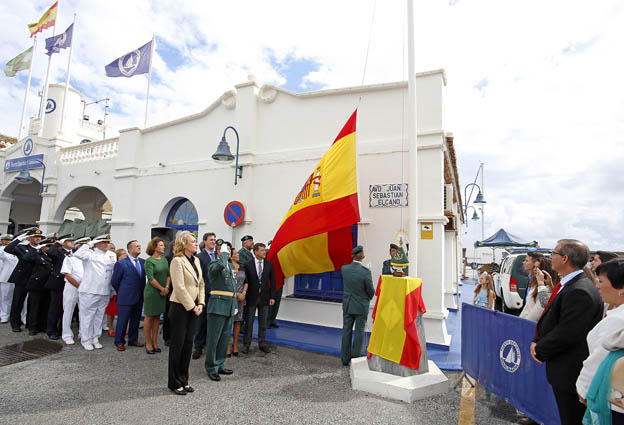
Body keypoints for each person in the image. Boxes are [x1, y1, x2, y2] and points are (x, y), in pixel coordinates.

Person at [530, 239, 603, 425]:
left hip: (570, 371)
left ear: (564, 258)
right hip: (565, 368)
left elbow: (568, 332)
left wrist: (540, 348)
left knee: (572, 418)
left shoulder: (580, 290)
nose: (549, 258)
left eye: (552, 254)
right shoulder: (571, 285)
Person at [576, 259, 624, 423]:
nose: (596, 286)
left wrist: (583, 389)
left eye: (601, 281)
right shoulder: (615, 311)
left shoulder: (618, 321)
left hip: (613, 400)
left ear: (621, 288)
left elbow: (598, 360)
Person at [168, 231, 205, 395]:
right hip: (180, 308)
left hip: (194, 307)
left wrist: (201, 303)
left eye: (196, 241)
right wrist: (192, 306)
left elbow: (201, 284)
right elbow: (179, 287)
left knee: (188, 344)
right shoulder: (177, 261)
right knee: (178, 345)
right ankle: (174, 382)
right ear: (184, 244)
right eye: (193, 241)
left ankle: (184, 379)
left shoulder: (196, 260)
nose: (196, 244)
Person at [74, 234, 116, 351]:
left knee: (99, 316)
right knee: (87, 316)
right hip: (90, 290)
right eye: (103, 242)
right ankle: (85, 339)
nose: (107, 244)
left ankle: (95, 338)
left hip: (105, 290)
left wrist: (112, 289)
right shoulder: (89, 253)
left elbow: (112, 273)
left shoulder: (111, 255)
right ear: (97, 243)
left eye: (108, 242)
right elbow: (77, 254)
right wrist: (90, 244)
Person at [204, 241, 237, 381]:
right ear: (219, 252)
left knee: (224, 338)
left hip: (229, 306)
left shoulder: (230, 266)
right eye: (225, 250)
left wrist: (234, 304)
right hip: (217, 306)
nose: (228, 252)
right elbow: (220, 266)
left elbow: (233, 288)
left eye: (229, 250)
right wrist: (223, 254)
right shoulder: (214, 264)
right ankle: (211, 367)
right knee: (214, 338)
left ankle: (220, 364)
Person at [340, 245, 375, 366]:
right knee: (359, 331)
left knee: (346, 330)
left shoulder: (344, 269)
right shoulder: (366, 272)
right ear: (363, 256)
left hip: (348, 304)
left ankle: (345, 358)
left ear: (352, 256)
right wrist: (366, 298)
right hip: (361, 305)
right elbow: (371, 291)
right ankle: (354, 359)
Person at [5, 228, 44, 332]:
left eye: (39, 237)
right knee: (18, 301)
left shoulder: (42, 248)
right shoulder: (22, 247)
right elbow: (8, 249)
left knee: (33, 303)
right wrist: (18, 239)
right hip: (22, 278)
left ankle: (31, 325)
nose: (38, 239)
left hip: (35, 278)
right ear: (29, 238)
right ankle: (15, 323)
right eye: (35, 237)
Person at [110, 240, 146, 351]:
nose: (139, 247)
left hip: (139, 296)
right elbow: (115, 281)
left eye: (140, 246)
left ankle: (133, 340)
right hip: (125, 297)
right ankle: (119, 342)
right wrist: (121, 292)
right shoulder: (121, 263)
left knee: (135, 320)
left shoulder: (143, 262)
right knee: (122, 321)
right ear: (129, 249)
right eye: (136, 246)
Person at [242, 242, 276, 354]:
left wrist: (272, 296)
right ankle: (246, 344)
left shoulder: (269, 264)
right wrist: (244, 296)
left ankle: (262, 343)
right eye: (262, 250)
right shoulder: (248, 264)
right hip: (251, 297)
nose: (264, 252)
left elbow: (273, 282)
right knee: (249, 322)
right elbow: (245, 281)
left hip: (265, 298)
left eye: (265, 250)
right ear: (255, 252)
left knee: (263, 322)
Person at [44, 234, 75, 340]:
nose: (72, 242)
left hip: (71, 283)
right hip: (58, 282)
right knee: (55, 307)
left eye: (72, 241)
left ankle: (63, 329)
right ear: (63, 242)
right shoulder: (58, 251)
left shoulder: (74, 253)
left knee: (66, 308)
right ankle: (51, 330)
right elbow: (49, 252)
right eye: (69, 241)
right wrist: (58, 243)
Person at [60, 236, 90, 345]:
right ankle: (67, 335)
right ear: (79, 246)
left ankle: (83, 333)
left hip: (85, 288)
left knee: (84, 311)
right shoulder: (70, 257)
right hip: (72, 287)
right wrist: (78, 285)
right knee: (68, 311)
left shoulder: (88, 258)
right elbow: (67, 274)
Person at [22, 238, 55, 335]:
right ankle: (32, 327)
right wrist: (36, 248)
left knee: (45, 306)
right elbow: (26, 258)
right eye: (48, 246)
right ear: (42, 247)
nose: (50, 248)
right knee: (34, 307)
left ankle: (42, 325)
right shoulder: (36, 255)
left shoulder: (52, 256)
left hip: (48, 284)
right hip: (37, 284)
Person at [192, 232, 217, 360]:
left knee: (213, 321)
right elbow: (198, 276)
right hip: (205, 294)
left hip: (217, 295)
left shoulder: (219, 256)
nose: (213, 241)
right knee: (201, 321)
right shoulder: (199, 257)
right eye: (211, 240)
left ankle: (210, 344)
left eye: (214, 239)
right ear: (205, 241)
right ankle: (198, 347)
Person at [144, 237, 170, 354]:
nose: (163, 247)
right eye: (161, 245)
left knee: (157, 317)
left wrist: (167, 288)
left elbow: (168, 275)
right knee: (149, 317)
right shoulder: (149, 261)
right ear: (154, 247)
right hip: (153, 292)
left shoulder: (164, 260)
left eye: (163, 245)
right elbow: (151, 279)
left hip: (163, 291)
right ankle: (148, 343)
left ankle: (155, 342)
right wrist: (161, 288)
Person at [519, 255, 557, 322]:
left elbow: (543, 306)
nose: (534, 269)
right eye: (534, 267)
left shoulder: (545, 288)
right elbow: (527, 308)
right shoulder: (535, 285)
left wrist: (541, 283)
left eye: (537, 267)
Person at [227, 248, 247, 357]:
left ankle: (235, 345)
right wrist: (236, 294)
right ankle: (227, 347)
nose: (238, 255)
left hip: (240, 300)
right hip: (230, 299)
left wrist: (243, 294)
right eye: (235, 253)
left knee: (237, 322)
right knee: (228, 323)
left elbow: (246, 282)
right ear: (230, 256)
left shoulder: (242, 267)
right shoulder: (227, 267)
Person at [0, 234, 18, 323]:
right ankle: (4, 315)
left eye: (9, 240)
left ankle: (13, 315)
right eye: (5, 240)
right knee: (5, 297)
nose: (7, 242)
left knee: (16, 297)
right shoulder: (2, 250)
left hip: (17, 277)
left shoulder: (17, 249)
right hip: (5, 277)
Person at [267, 240, 283, 329]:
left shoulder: (281, 255)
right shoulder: (267, 254)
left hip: (279, 282)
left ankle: (272, 319)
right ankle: (266, 321)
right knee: (270, 302)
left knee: (276, 303)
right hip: (270, 283)